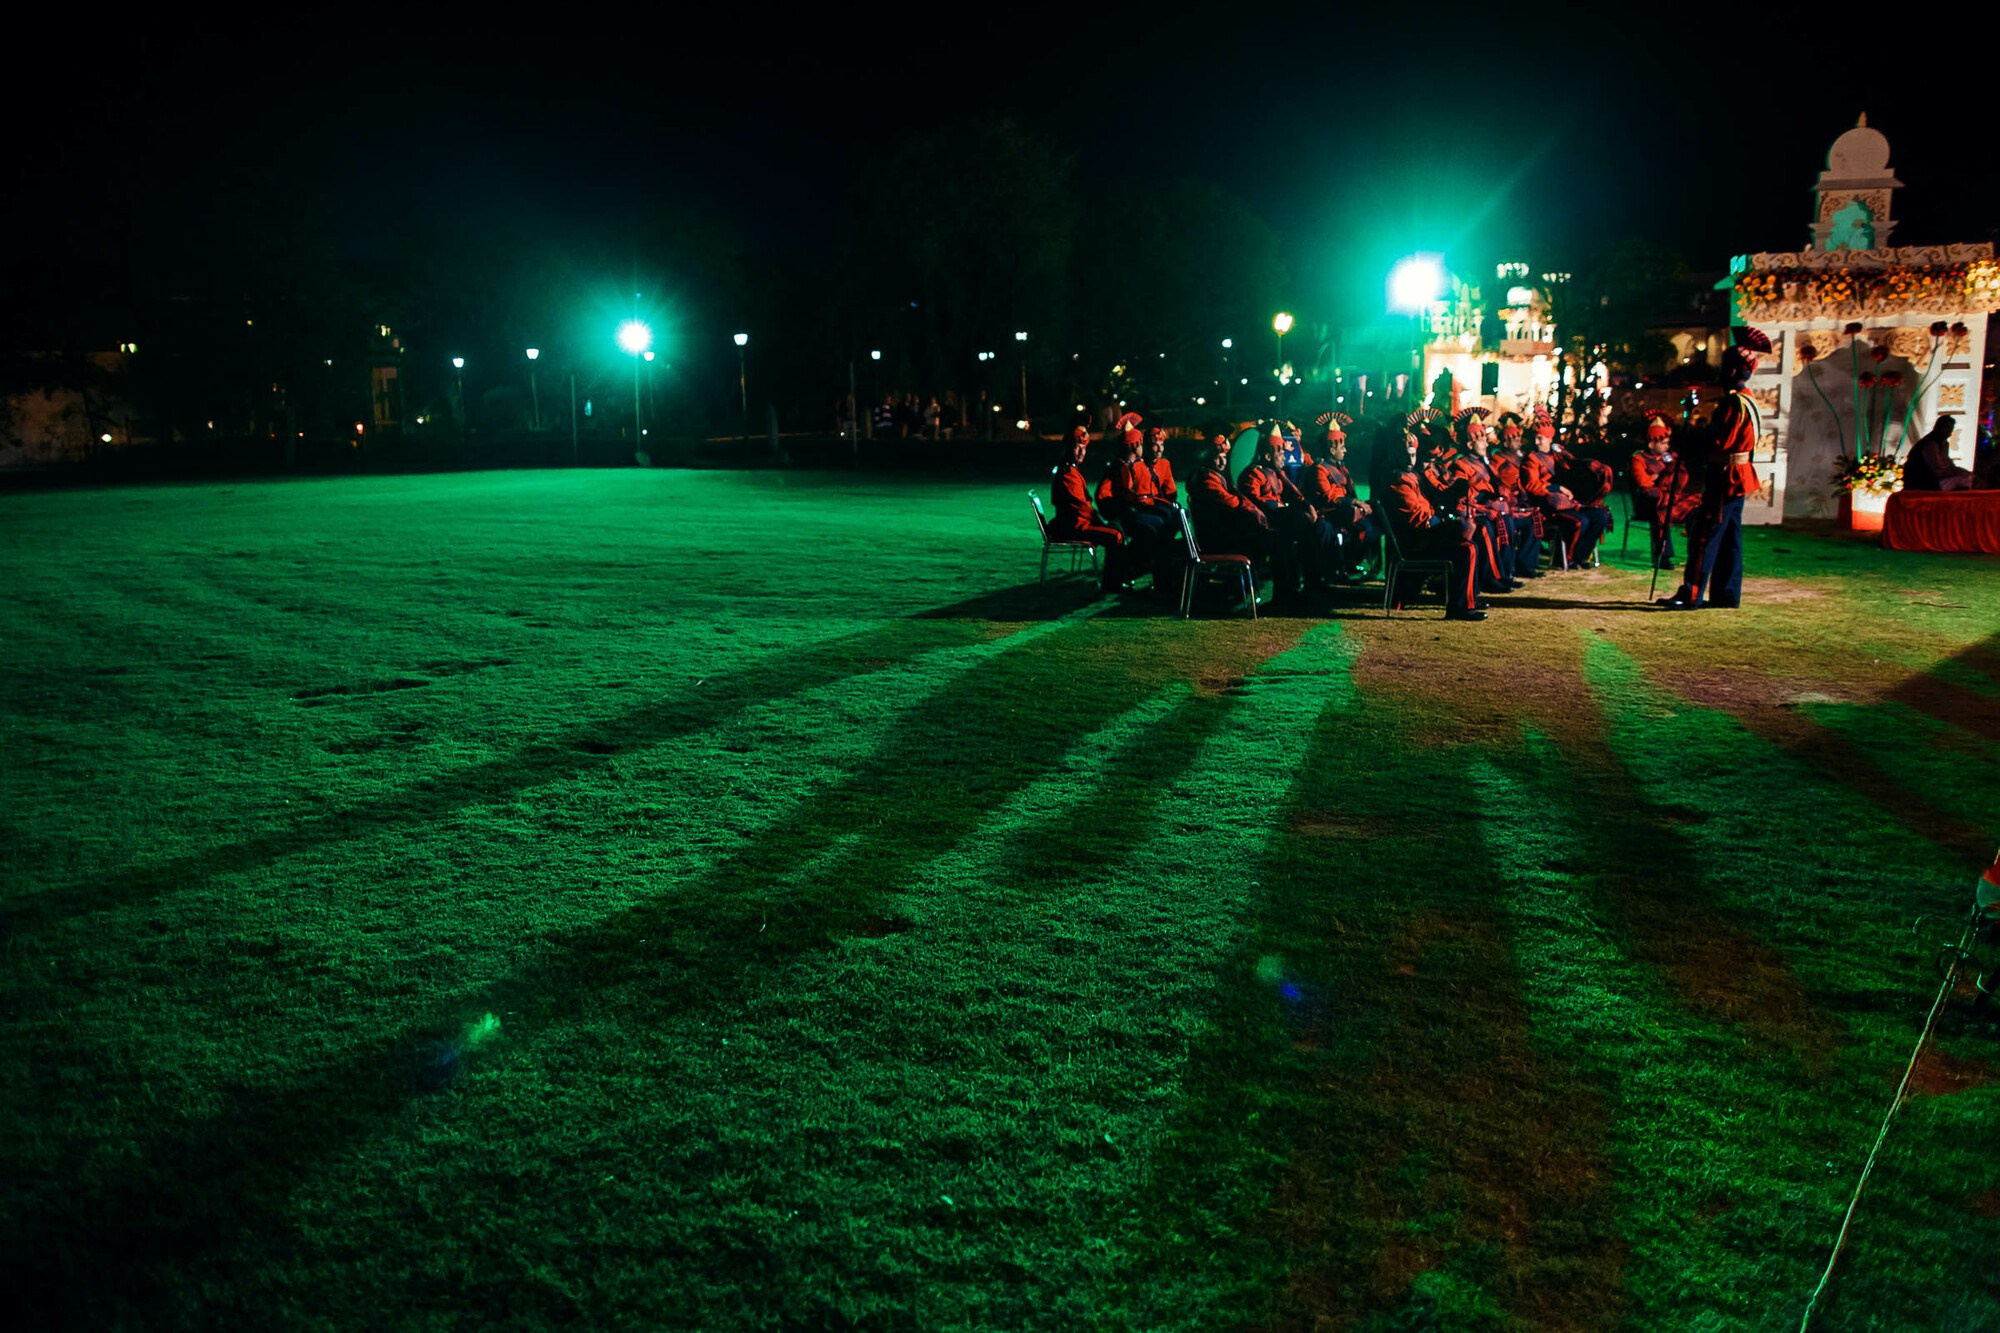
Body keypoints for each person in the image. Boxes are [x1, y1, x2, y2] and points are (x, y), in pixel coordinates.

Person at [1659, 326, 1771, 611]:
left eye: (1725, 367)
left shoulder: (1733, 403)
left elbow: (1719, 442)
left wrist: (1687, 436)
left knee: (1705, 535)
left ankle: (1691, 593)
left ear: (1733, 371)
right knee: (1730, 537)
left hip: (1726, 477)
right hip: (1740, 476)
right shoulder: (1749, 400)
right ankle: (1726, 594)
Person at [1381, 434, 1485, 620]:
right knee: (1467, 549)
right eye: (1405, 455)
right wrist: (1448, 524)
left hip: (1425, 535)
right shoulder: (1399, 481)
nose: (1410, 460)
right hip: (1417, 541)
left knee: (1473, 537)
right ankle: (1461, 607)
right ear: (1396, 455)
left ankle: (1467, 600)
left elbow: (1436, 499)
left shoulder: (1413, 476)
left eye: (1413, 455)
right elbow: (1418, 519)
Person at [1241, 425, 1327, 605]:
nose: (1284, 457)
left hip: (1279, 522)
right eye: (1280, 452)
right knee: (1295, 530)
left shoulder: (1276, 473)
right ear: (1267, 456)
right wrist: (1280, 507)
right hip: (1262, 526)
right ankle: (1291, 589)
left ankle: (1312, 582)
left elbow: (1293, 494)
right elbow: (1253, 500)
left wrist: (1307, 506)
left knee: (1314, 525)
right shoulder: (1253, 474)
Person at [1049, 425, 1139, 593]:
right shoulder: (1068, 473)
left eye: (1084, 448)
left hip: (1074, 522)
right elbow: (1081, 507)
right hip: (1073, 525)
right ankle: (1112, 583)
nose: (1081, 452)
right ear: (1068, 448)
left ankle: (1117, 578)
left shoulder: (1070, 469)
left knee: (1116, 530)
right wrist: (1100, 522)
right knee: (1115, 535)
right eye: (1077, 447)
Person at [1301, 412, 1377, 579]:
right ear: (1332, 449)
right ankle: (1336, 567)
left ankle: (1352, 561)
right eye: (1342, 447)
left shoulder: (1341, 467)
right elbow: (1328, 497)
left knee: (1372, 524)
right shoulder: (1320, 469)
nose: (1345, 450)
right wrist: (1354, 502)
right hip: (1330, 512)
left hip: (1344, 509)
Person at [1188, 432, 1274, 567]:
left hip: (1219, 532)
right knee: (1265, 538)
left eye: (1224, 457)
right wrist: (1249, 506)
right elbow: (1232, 502)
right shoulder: (1206, 479)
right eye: (1218, 457)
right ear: (1207, 457)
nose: (1223, 462)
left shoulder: (1214, 476)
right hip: (1216, 538)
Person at [1631, 412, 1700, 568]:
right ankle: (1663, 556)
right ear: (1651, 444)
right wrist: (1659, 478)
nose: (1667, 447)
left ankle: (1696, 553)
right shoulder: (1639, 459)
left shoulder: (1671, 458)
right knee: (1661, 512)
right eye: (1663, 443)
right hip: (1648, 502)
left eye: (1667, 443)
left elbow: (1681, 478)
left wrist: (1659, 477)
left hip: (1670, 499)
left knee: (1695, 509)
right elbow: (1644, 483)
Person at [1901, 416, 1975, 492]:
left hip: (1934, 480)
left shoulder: (1944, 444)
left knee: (1968, 477)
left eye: (1950, 429)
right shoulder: (1930, 444)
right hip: (1922, 481)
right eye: (1947, 428)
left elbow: (1947, 464)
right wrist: (1953, 472)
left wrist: (1961, 472)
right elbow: (1936, 469)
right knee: (1963, 480)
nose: (1949, 432)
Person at [1144, 426, 1178, 504]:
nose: (1160, 449)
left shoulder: (1164, 464)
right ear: (1147, 446)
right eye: (1155, 445)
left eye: (1162, 445)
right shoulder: (1139, 465)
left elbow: (1170, 489)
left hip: (1160, 503)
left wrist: (1171, 502)